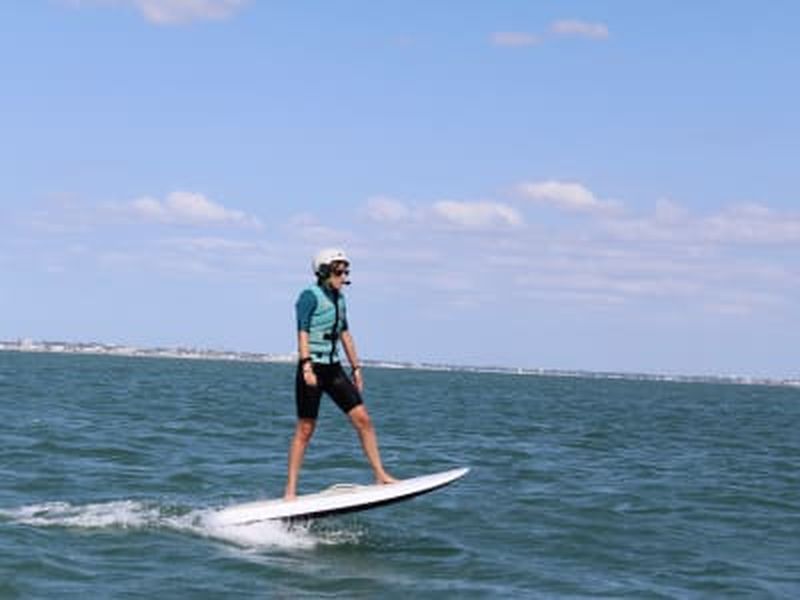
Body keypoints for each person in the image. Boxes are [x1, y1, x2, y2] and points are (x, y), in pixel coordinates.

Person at [284, 248, 397, 500]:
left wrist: (356, 367)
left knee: (363, 420)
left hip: (334, 369)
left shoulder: (340, 299)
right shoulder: (308, 296)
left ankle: (380, 474)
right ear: (324, 271)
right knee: (305, 428)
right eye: (339, 270)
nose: (343, 276)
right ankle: (290, 491)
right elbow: (302, 331)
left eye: (346, 271)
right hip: (312, 367)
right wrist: (306, 365)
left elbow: (345, 334)